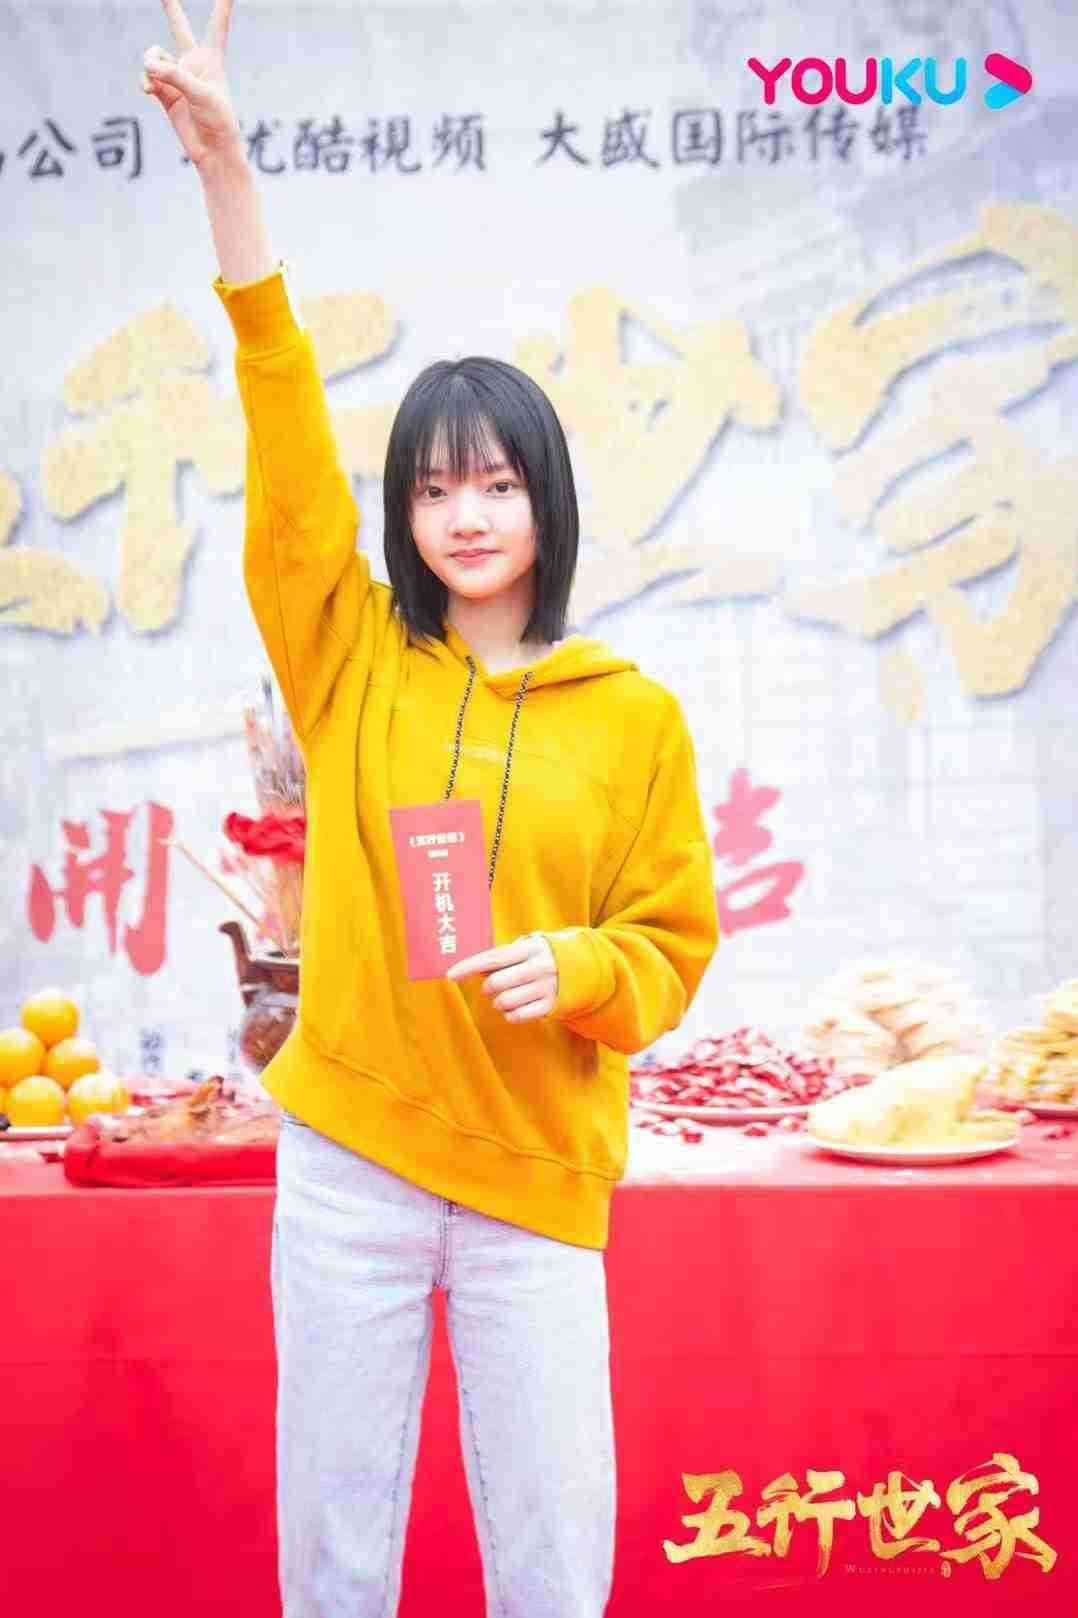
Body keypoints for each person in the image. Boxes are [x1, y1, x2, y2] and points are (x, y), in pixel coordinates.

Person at [142, 3, 721, 1613]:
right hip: (351, 1166)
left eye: (499, 481)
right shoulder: (349, 658)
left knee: (553, 1556)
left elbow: (670, 944)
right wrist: (231, 182)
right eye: (435, 485)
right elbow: (284, 457)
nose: (467, 514)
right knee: (336, 1554)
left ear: (546, 499)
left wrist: (581, 966)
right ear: (405, 511)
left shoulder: (632, 715)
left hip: (535, 1175)